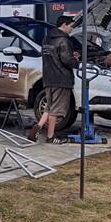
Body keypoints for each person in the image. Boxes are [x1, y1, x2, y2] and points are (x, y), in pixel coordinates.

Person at [28, 15, 79, 144]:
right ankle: (51, 137)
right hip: (61, 79)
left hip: (48, 78)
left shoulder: (46, 38)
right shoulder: (63, 40)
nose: (71, 29)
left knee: (49, 107)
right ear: (64, 25)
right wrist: (76, 60)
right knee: (55, 110)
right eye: (71, 26)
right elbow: (66, 60)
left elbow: (51, 55)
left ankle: (38, 127)